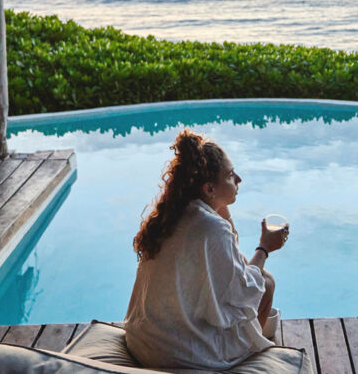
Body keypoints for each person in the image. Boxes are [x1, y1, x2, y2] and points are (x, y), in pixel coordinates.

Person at [124, 129, 289, 370]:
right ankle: (253, 361)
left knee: (258, 279)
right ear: (209, 188)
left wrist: (222, 206)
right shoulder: (210, 227)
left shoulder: (177, 212)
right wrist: (264, 247)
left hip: (143, 341)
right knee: (266, 283)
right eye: (231, 175)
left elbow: (232, 262)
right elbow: (242, 291)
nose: (239, 179)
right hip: (176, 354)